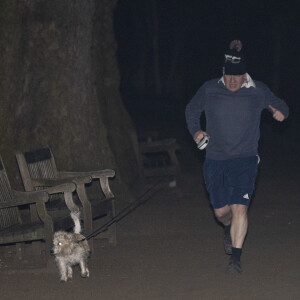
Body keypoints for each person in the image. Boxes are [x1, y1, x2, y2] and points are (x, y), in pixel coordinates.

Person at [185, 40, 289, 274]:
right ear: (223, 72)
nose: (232, 80)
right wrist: (196, 131)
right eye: (229, 75)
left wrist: (281, 112)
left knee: (240, 208)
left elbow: (281, 106)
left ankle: (236, 259)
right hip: (215, 159)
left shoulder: (258, 90)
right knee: (222, 213)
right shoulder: (210, 89)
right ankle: (227, 227)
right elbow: (191, 110)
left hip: (245, 159)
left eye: (237, 75)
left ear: (245, 74)